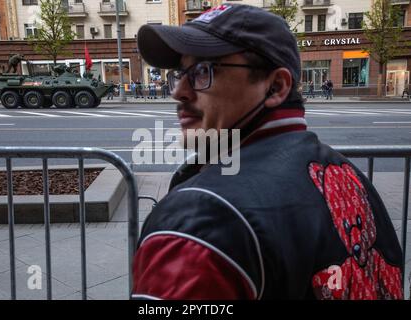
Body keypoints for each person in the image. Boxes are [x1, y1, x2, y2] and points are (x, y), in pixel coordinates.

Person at [132, 4, 403, 300]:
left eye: (201, 71)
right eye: (180, 73)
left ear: (276, 87)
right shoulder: (351, 178)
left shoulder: (200, 220)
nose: (178, 91)